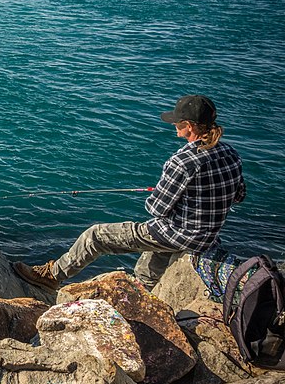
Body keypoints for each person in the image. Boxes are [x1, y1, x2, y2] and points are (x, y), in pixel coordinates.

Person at [14, 94, 246, 291]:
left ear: (190, 127)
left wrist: (166, 192)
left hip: (180, 234)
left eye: (177, 122)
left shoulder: (182, 161)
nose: (174, 125)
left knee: (95, 236)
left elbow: (156, 209)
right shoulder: (231, 154)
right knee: (145, 269)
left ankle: (52, 276)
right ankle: (148, 296)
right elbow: (238, 196)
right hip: (208, 237)